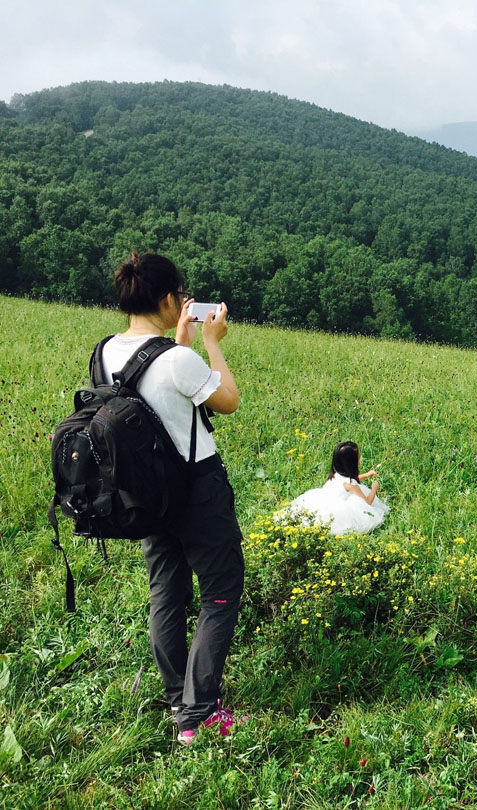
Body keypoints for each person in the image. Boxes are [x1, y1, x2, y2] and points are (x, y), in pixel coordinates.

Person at [103, 251, 244, 745]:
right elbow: (226, 400)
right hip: (196, 488)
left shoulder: (106, 352)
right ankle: (200, 715)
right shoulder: (180, 358)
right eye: (180, 296)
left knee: (166, 591)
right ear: (167, 299)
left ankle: (176, 699)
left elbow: (153, 393)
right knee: (222, 591)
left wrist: (180, 342)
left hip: (146, 491)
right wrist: (210, 343)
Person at [288, 441, 389, 534]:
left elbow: (348, 481)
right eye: (359, 456)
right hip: (338, 509)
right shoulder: (352, 485)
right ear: (353, 462)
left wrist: (366, 475)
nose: (360, 457)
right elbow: (367, 502)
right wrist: (374, 489)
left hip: (324, 500)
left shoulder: (336, 475)